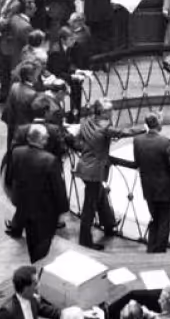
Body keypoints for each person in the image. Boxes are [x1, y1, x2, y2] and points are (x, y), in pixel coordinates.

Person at [73, 99, 143, 250]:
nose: (112, 113)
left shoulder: (86, 121)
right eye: (110, 111)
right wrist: (144, 127)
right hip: (94, 170)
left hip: (84, 166)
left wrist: (89, 150)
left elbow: (77, 141)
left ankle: (109, 224)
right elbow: (125, 132)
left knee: (100, 195)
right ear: (104, 113)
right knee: (89, 208)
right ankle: (85, 240)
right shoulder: (105, 126)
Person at [9, 125, 68, 262]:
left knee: (31, 239)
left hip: (24, 204)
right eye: (46, 136)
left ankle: (34, 263)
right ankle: (38, 266)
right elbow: (58, 188)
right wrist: (62, 209)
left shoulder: (16, 152)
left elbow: (13, 176)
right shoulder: (50, 160)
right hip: (43, 210)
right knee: (43, 243)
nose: (48, 137)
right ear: (40, 139)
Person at [134, 112, 170, 253]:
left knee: (155, 218)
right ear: (158, 124)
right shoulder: (165, 142)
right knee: (164, 222)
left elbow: (137, 162)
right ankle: (159, 253)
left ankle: (151, 249)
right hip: (166, 189)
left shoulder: (137, 140)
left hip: (148, 188)